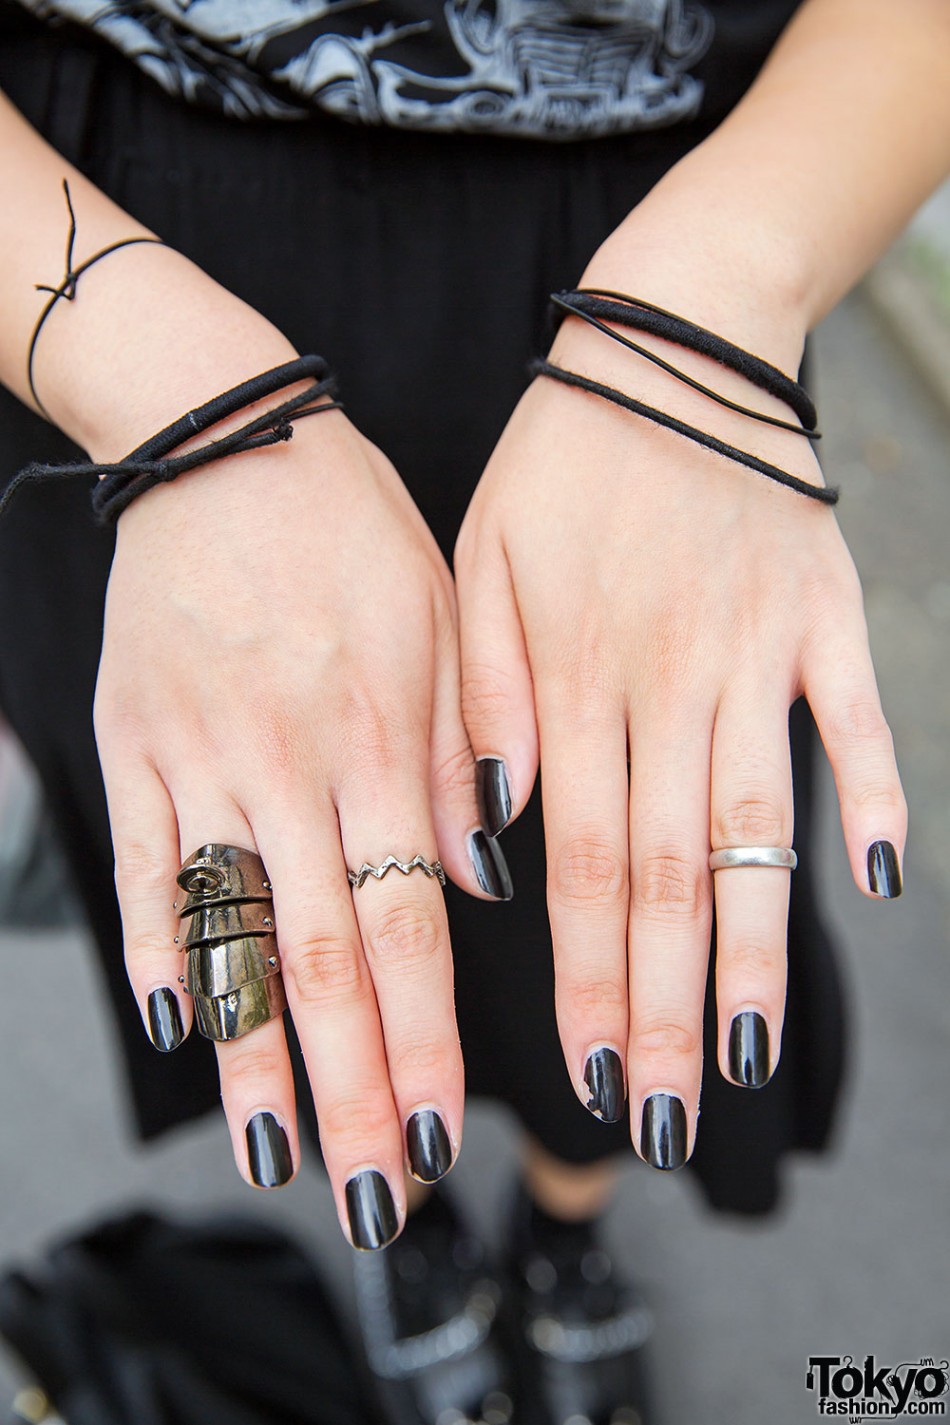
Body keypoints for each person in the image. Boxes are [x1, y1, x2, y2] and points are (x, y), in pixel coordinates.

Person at [0, 0, 945, 1419]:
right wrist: (155, 388)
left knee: (632, 910)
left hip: (672, 265)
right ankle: (413, 1220)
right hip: (111, 290)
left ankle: (561, 1235)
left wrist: (710, 303)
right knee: (300, 923)